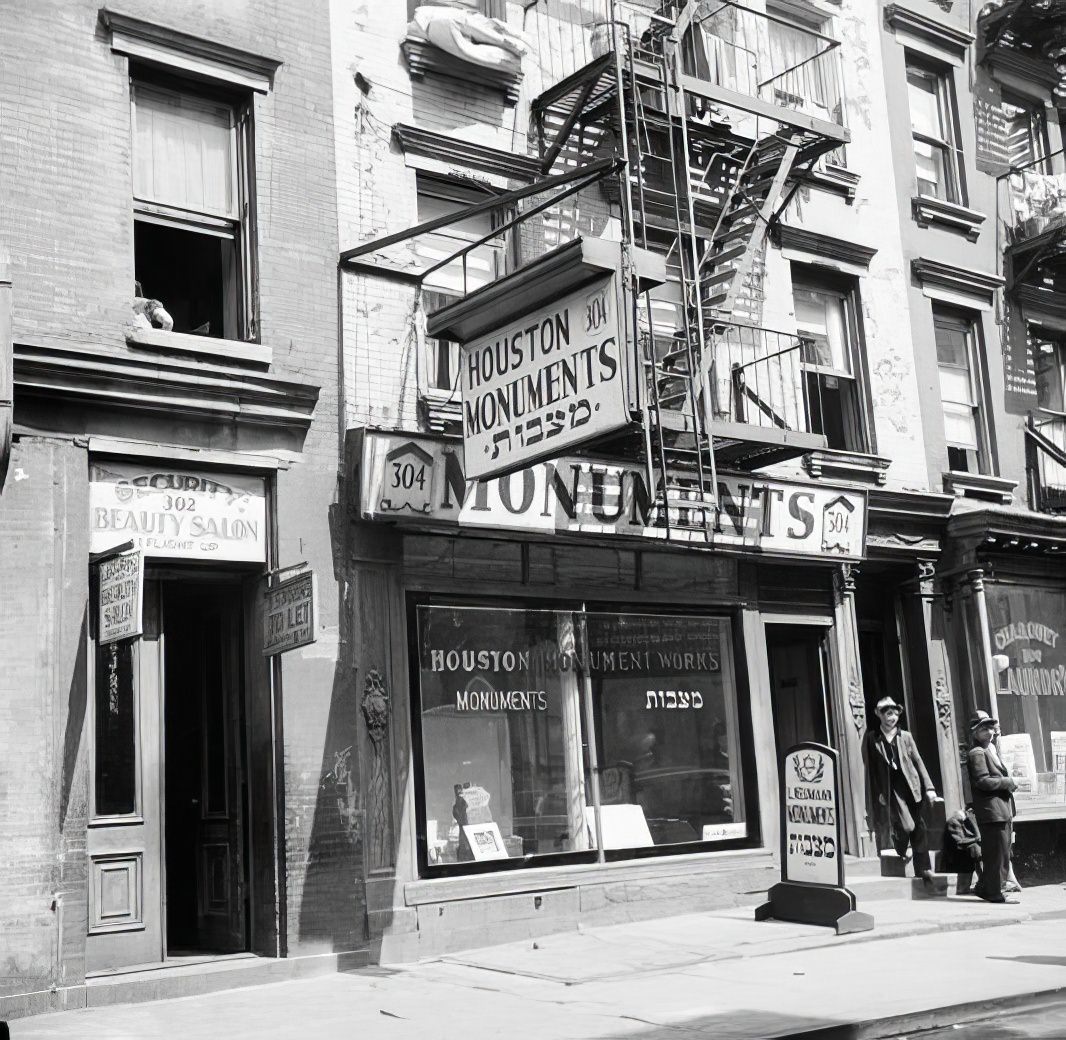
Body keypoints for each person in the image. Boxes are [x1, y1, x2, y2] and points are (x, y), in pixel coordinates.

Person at [862, 696, 940, 880]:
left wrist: (929, 787)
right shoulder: (873, 738)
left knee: (918, 826)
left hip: (911, 787)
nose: (891, 718)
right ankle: (900, 845)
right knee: (906, 825)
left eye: (894, 714)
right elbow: (871, 770)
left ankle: (923, 870)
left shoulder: (905, 736)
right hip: (892, 789)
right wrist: (878, 793)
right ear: (879, 715)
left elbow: (918, 761)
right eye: (887, 714)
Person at [967, 713, 1018, 904]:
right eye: (983, 729)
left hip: (999, 809)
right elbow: (982, 781)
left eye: (990, 728)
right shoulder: (977, 753)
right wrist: (1007, 782)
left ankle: (986, 887)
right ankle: (994, 892)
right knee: (996, 853)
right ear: (974, 733)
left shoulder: (989, 750)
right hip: (992, 811)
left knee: (1001, 851)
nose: (989, 732)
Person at [941, 807, 981, 895]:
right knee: (975, 849)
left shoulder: (964, 821)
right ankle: (965, 887)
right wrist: (975, 838)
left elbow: (975, 837)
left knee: (976, 850)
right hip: (955, 853)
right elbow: (960, 841)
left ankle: (979, 882)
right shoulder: (954, 821)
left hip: (962, 852)